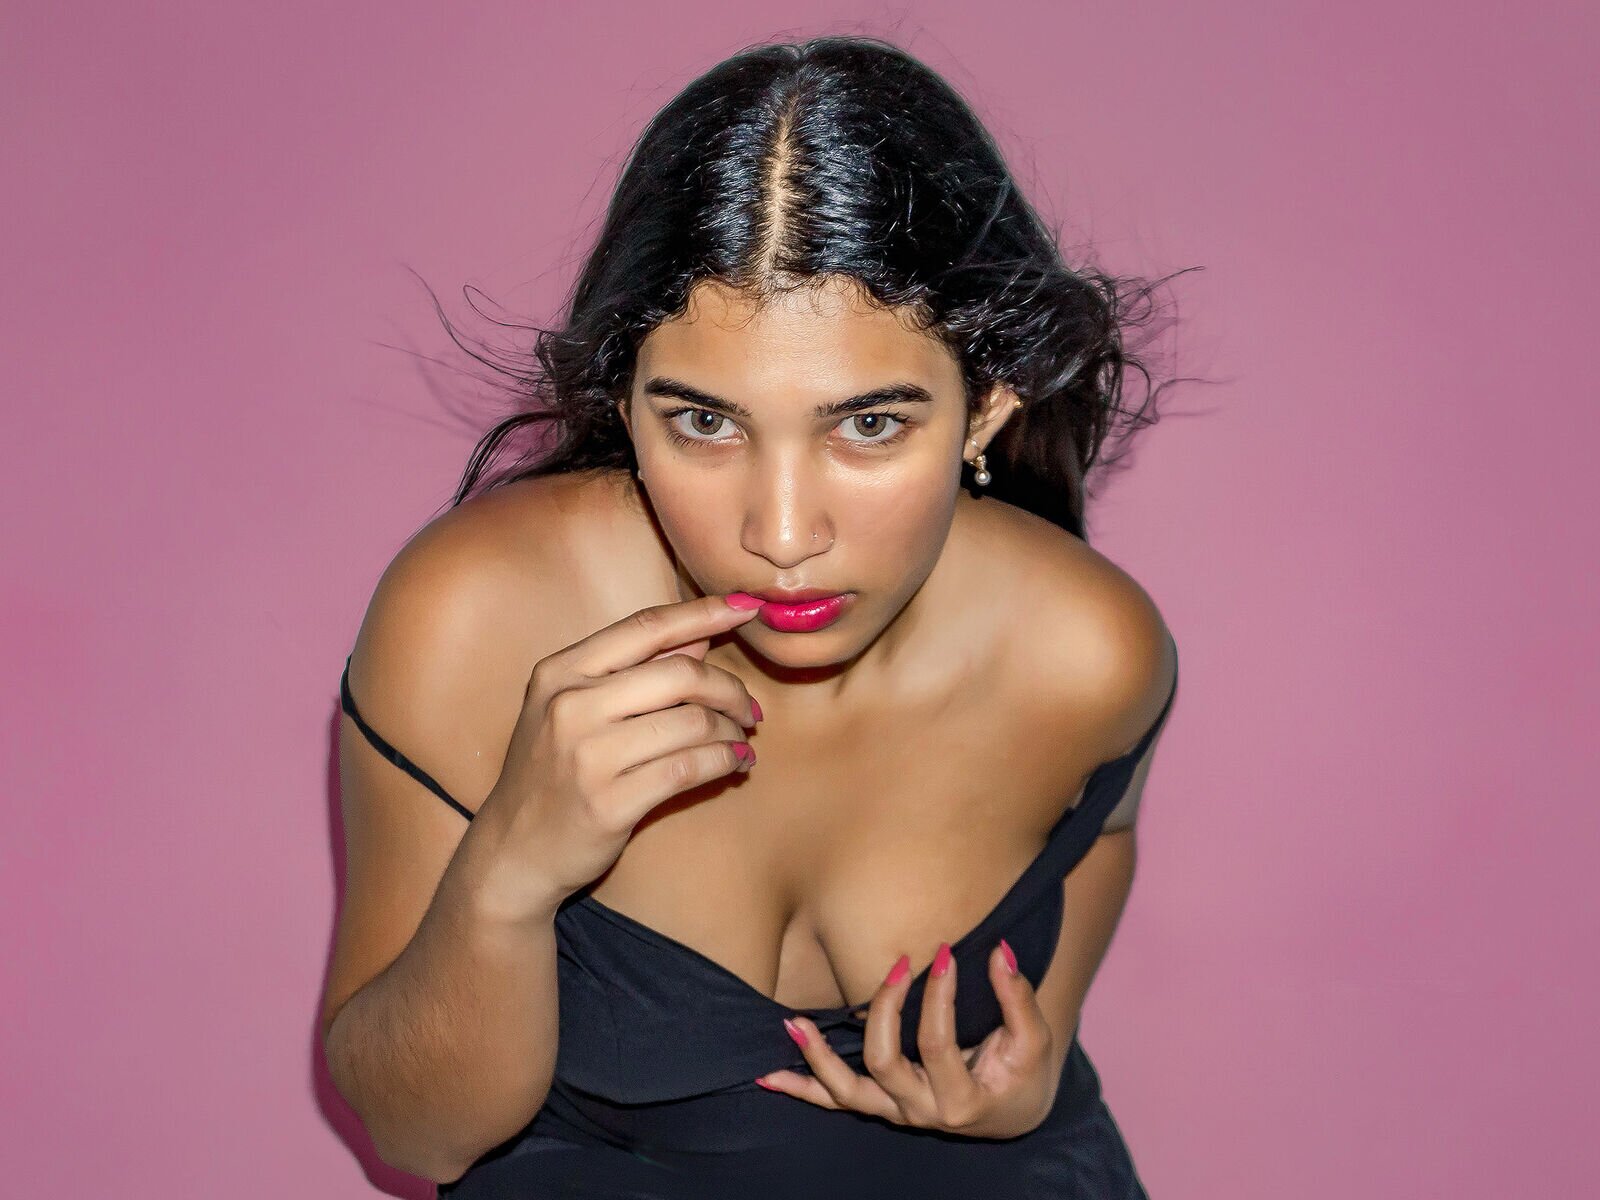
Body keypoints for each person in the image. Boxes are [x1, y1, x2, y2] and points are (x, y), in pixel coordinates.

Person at [322, 33, 1186, 1200]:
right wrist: (509, 873)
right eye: (705, 424)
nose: (780, 534)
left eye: (868, 425)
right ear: (623, 403)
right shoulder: (474, 619)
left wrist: (1032, 1068)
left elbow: (1105, 828)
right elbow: (418, 1139)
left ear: (985, 406)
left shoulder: (1086, 647)